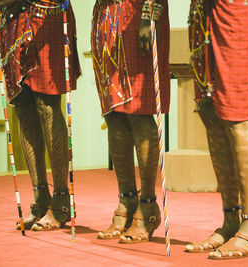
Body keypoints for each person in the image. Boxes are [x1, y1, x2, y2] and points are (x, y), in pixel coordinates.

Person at [185, 0, 248, 259]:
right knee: (211, 111)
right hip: (206, 12)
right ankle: (231, 220)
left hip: (239, 11)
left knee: (235, 112)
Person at [0, 0, 81, 231]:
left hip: (45, 12)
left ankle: (62, 200)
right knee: (23, 106)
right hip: (12, 19)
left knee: (47, 105)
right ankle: (41, 197)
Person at [91, 0, 170, 243]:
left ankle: (147, 204)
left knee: (138, 110)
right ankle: (126, 200)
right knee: (114, 114)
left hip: (138, 14)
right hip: (105, 17)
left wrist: (149, 15)